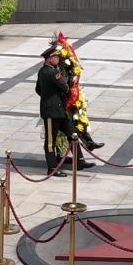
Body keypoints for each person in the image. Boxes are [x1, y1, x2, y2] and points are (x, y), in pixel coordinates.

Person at [36, 46, 94, 176]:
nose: (58, 59)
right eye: (56, 57)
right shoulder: (52, 73)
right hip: (51, 112)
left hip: (58, 110)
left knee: (72, 133)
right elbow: (65, 87)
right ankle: (52, 168)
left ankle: (79, 160)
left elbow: (38, 89)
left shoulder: (42, 71)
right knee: (50, 141)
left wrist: (48, 97)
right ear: (49, 59)